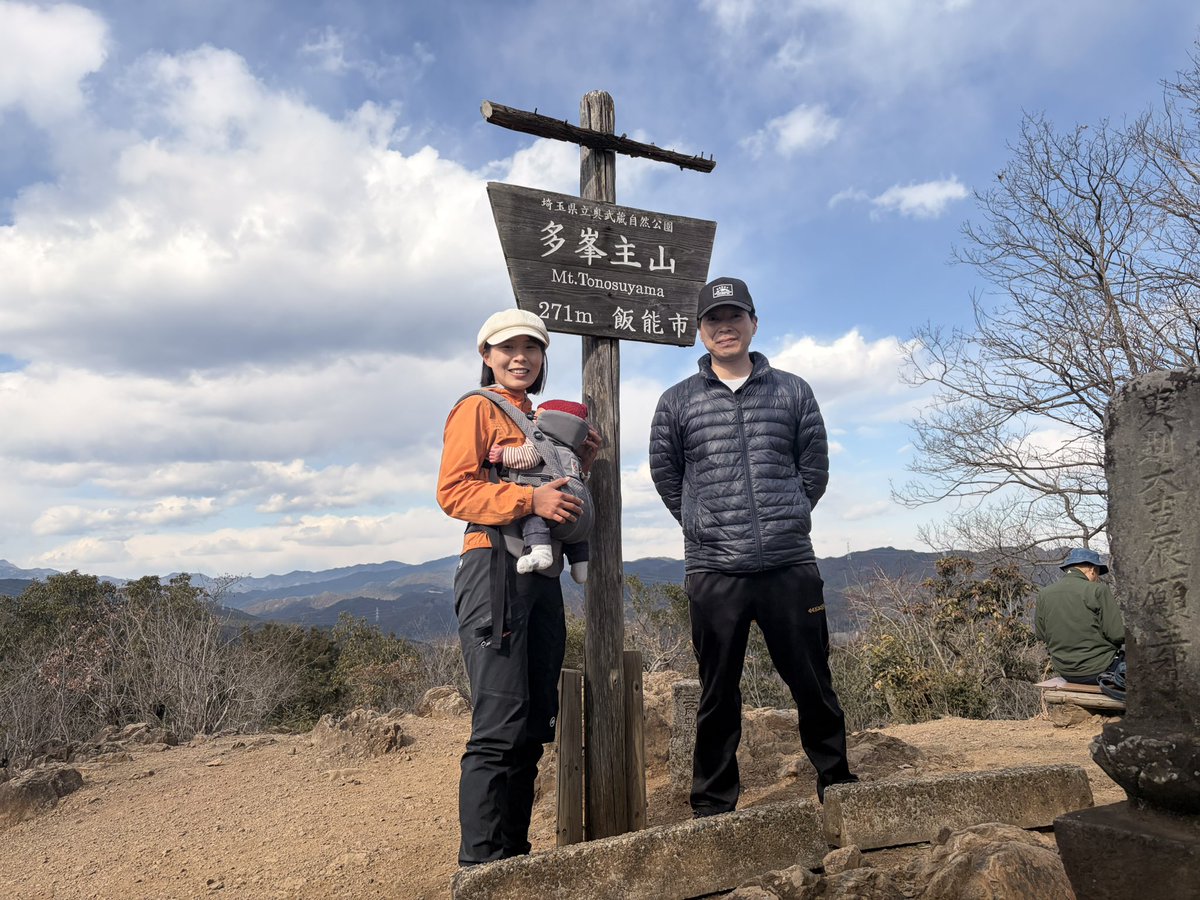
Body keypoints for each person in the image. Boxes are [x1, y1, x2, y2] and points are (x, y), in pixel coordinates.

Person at [649, 275, 857, 813]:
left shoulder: (792, 390)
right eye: (714, 319)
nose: (725, 327)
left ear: (753, 323)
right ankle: (714, 804)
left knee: (813, 681)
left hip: (789, 562)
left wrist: (784, 517)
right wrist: (702, 523)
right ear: (700, 331)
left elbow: (813, 469)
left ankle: (836, 783)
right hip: (716, 568)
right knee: (717, 691)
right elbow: (667, 474)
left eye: (735, 316)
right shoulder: (677, 402)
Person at [436, 308, 600, 866]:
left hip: (541, 574)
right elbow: (454, 491)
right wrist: (529, 501)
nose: (520, 358)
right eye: (508, 349)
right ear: (486, 356)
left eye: (531, 348)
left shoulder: (542, 420)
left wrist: (581, 464)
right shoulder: (477, 408)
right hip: (493, 570)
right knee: (499, 727)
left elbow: (558, 489)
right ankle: (479, 869)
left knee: (532, 727)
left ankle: (515, 859)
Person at [488, 399, 591, 583]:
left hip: (549, 502)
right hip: (577, 507)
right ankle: (580, 563)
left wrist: (503, 454)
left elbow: (527, 458)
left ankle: (540, 551)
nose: (532, 420)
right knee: (575, 530)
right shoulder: (571, 451)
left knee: (530, 514)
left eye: (536, 416)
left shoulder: (542, 441)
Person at [1035, 548, 1125, 685]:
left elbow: (1041, 634)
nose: (1097, 578)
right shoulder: (1098, 590)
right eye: (1098, 574)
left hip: (1065, 671)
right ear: (1092, 570)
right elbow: (1117, 634)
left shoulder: (1044, 594)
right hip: (1101, 669)